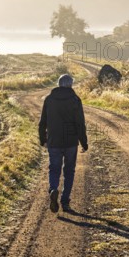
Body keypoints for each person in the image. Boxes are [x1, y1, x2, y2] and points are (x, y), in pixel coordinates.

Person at [39, 74, 88, 213]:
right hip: (71, 142)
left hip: (54, 140)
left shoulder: (49, 99)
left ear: (59, 84)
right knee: (69, 171)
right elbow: (80, 124)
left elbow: (43, 122)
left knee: (54, 168)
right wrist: (84, 142)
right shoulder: (75, 100)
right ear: (71, 85)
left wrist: (43, 139)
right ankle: (65, 201)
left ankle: (53, 189)